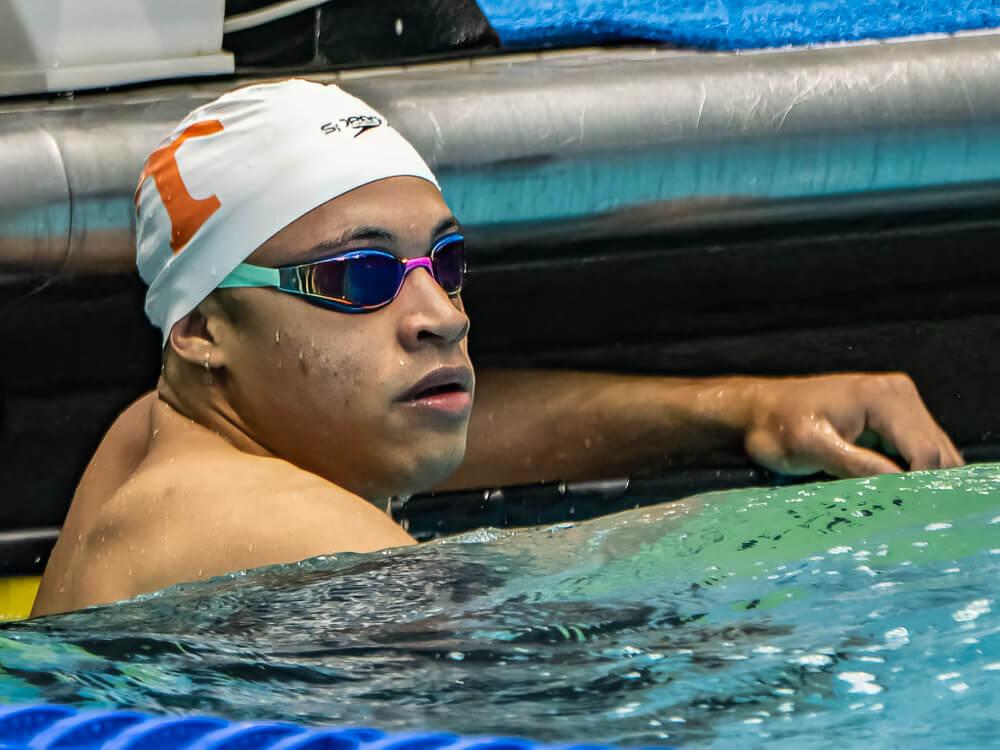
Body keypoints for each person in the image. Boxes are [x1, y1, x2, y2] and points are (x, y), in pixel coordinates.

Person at [31, 80, 962, 617]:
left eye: (445, 259)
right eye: (357, 276)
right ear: (201, 328)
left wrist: (745, 411)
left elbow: (470, 422)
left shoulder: (156, 438)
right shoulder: (282, 537)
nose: (440, 313)